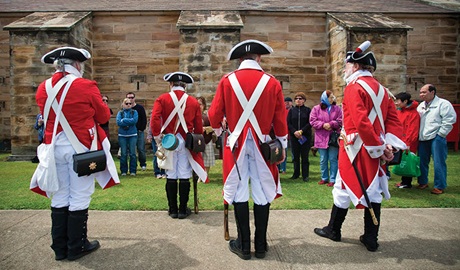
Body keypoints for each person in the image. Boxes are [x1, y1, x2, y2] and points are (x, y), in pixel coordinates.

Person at [313, 41, 406, 252]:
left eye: (346, 66)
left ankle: (334, 230)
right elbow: (393, 121)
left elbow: (361, 121)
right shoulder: (383, 90)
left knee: (343, 187)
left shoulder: (354, 87)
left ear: (355, 67)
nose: (344, 69)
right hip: (376, 146)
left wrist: (378, 147)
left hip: (356, 148)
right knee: (372, 191)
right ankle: (370, 238)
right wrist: (387, 145)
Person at [30, 46, 119, 261]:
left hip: (53, 149)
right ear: (77, 64)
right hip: (81, 148)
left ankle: (60, 248)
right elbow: (103, 115)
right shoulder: (85, 85)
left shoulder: (43, 87)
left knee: (60, 194)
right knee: (79, 195)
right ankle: (77, 246)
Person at [208, 40, 288, 260]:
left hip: (236, 145)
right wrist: (281, 143)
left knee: (240, 191)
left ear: (240, 60)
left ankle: (244, 246)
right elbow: (280, 119)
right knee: (262, 193)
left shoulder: (227, 80)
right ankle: (260, 246)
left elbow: (214, 114)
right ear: (259, 58)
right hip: (264, 145)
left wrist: (218, 131)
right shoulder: (272, 82)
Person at [150, 72, 208, 220]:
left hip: (169, 140)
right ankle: (182, 209)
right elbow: (198, 126)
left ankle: (172, 209)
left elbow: (155, 118)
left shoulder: (162, 99)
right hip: (186, 141)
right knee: (184, 174)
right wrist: (198, 140)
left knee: (170, 173)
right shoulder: (193, 102)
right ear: (184, 86)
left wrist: (157, 136)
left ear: (171, 84)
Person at [417, 84, 456, 194]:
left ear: (432, 92)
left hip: (437, 137)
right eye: (420, 92)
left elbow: (449, 120)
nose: (421, 95)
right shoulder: (421, 106)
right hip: (423, 137)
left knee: (438, 162)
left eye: (424, 92)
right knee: (422, 161)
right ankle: (422, 181)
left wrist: (441, 134)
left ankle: (439, 185)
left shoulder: (443, 104)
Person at [310, 90, 343, 187]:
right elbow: (312, 121)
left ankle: (333, 179)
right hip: (321, 137)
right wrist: (323, 125)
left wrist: (331, 124)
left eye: (333, 97)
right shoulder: (316, 108)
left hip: (333, 137)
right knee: (323, 159)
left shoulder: (337, 109)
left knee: (333, 158)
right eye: (330, 97)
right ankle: (324, 178)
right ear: (325, 98)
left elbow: (340, 120)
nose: (332, 99)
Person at [393, 92, 420, 189]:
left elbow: (412, 129)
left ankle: (407, 182)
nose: (396, 103)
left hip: (407, 142)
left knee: (407, 160)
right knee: (402, 160)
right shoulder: (400, 111)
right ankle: (403, 181)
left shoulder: (413, 114)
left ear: (405, 101)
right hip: (400, 140)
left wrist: (408, 143)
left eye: (398, 101)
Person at [287, 92, 312, 182]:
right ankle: (296, 173)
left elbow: (310, 122)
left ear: (304, 100)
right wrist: (294, 132)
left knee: (304, 157)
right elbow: (288, 123)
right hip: (294, 137)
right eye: (296, 98)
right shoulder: (291, 111)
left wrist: (301, 131)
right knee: (296, 156)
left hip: (305, 136)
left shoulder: (308, 110)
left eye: (300, 98)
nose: (298, 100)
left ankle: (305, 175)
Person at [117, 98, 138, 176]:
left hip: (132, 135)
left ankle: (133, 170)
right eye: (127, 103)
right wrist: (128, 121)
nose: (129, 105)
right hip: (122, 135)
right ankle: (123, 171)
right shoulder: (120, 113)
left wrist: (124, 120)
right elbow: (118, 122)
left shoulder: (134, 112)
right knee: (123, 153)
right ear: (123, 104)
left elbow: (134, 121)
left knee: (133, 153)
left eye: (130, 103)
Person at [126, 92, 147, 171]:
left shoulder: (139, 108)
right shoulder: (126, 108)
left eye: (132, 97)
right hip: (130, 132)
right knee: (132, 150)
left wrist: (141, 129)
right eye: (129, 97)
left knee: (141, 149)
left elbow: (144, 119)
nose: (130, 99)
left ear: (134, 98)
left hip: (138, 131)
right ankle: (133, 166)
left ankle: (143, 164)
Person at [197, 96, 216, 175]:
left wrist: (207, 128)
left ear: (204, 105)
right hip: (197, 140)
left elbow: (215, 126)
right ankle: (199, 174)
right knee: (199, 157)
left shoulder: (208, 115)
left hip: (207, 139)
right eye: (197, 104)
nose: (199, 106)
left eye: (200, 104)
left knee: (208, 158)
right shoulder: (193, 115)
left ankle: (205, 174)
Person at [278, 97, 292, 174]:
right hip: (279, 133)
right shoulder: (280, 111)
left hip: (287, 134)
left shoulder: (290, 112)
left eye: (288, 102)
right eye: (285, 102)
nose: (286, 103)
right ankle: (278, 168)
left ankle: (283, 169)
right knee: (278, 152)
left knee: (285, 152)